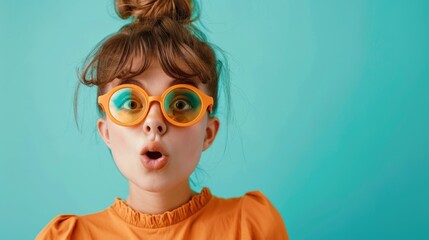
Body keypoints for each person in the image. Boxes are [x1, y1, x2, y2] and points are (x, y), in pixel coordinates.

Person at [36, 0, 289, 239]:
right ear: (107, 132)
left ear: (208, 133)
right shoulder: (66, 237)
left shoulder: (251, 228)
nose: (154, 122)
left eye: (180, 103)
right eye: (131, 103)